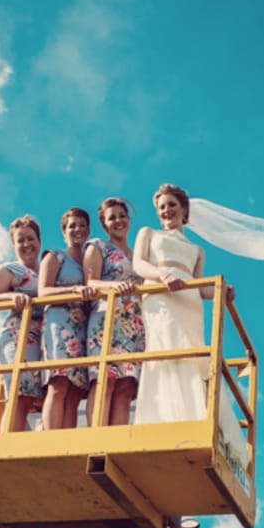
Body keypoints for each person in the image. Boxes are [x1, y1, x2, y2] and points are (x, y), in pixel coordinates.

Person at [132, 183, 226, 425]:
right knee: (164, 345)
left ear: (183, 209)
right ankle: (163, 416)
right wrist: (162, 276)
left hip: (189, 302)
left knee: (191, 351)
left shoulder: (197, 250)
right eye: (161, 207)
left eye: (171, 205)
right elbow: (138, 264)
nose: (166, 211)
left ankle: (193, 413)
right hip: (159, 293)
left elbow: (201, 288)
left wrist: (222, 292)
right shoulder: (149, 233)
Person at [0, 214, 45, 431]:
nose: (26, 244)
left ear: (39, 241)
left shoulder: (46, 270)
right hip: (19, 336)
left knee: (38, 398)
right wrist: (10, 296)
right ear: (13, 245)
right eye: (20, 240)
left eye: (30, 239)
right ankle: (9, 441)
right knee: (20, 393)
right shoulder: (10, 270)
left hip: (43, 340)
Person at [83, 197, 145, 426]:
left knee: (127, 383)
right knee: (105, 378)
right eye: (112, 218)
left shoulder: (137, 255)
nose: (118, 221)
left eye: (122, 216)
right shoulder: (98, 246)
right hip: (108, 316)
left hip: (134, 322)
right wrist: (114, 286)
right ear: (104, 224)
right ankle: (97, 434)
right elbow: (91, 281)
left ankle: (117, 436)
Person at [38, 207, 92, 429]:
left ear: (88, 230)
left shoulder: (89, 262)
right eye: (72, 226)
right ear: (64, 231)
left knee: (76, 389)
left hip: (83, 327)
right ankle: (51, 437)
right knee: (59, 382)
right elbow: (43, 292)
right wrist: (74, 291)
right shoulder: (55, 256)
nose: (77, 229)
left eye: (82, 225)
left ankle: (68, 439)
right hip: (59, 323)